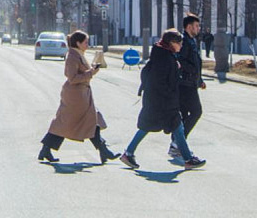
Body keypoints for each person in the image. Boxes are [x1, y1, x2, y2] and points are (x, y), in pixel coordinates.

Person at [120, 29, 206, 170]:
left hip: (158, 100)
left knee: (173, 127)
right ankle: (188, 159)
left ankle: (187, 159)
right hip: (162, 101)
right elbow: (161, 81)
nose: (181, 45)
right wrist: (171, 96)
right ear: (171, 43)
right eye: (179, 42)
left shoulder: (163, 54)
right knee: (159, 127)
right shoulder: (165, 58)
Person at [37, 30, 119, 164]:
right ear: (78, 43)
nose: (87, 44)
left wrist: (91, 70)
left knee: (69, 122)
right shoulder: (72, 56)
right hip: (75, 95)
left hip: (81, 94)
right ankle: (104, 150)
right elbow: (72, 78)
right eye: (85, 42)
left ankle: (46, 149)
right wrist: (91, 73)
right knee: (84, 120)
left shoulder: (78, 54)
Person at [169, 13, 206, 157]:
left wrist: (200, 79)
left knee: (183, 116)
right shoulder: (184, 41)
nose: (198, 28)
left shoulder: (191, 41)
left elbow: (195, 63)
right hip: (185, 84)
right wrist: (193, 73)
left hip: (189, 82)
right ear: (189, 27)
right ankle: (177, 143)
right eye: (196, 26)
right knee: (196, 111)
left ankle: (176, 144)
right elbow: (181, 61)